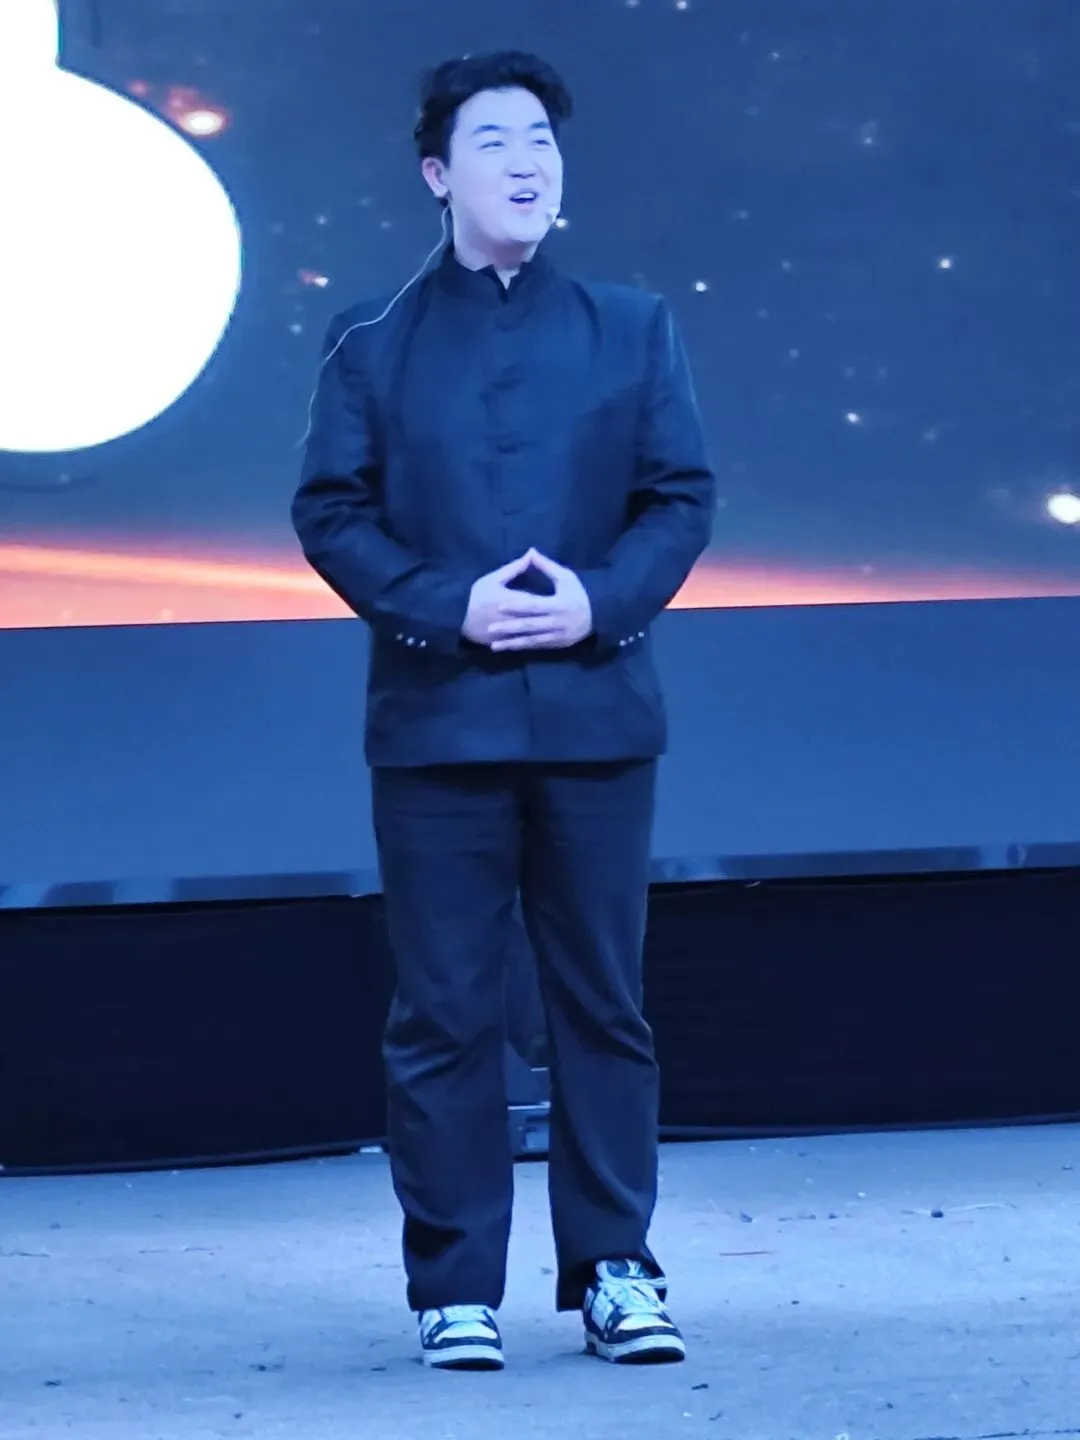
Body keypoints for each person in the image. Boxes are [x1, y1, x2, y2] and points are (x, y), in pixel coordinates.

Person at [292, 50, 716, 1371]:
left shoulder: (631, 326)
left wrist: (598, 602)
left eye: (541, 139)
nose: (527, 162)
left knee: (603, 1006)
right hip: (438, 724)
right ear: (438, 174)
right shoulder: (370, 338)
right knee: (444, 1015)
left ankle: (617, 1270)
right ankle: (454, 1286)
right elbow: (331, 513)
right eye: (494, 141)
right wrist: (447, 607)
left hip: (598, 719)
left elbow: (679, 498)